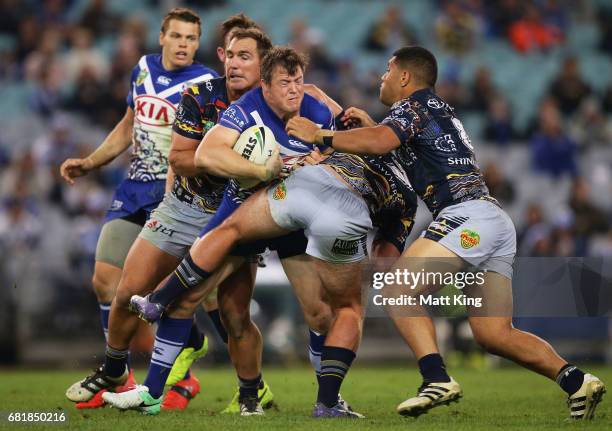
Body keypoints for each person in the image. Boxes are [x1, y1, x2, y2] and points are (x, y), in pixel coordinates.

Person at [286, 45, 606, 420]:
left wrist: (320, 134)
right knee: (494, 334)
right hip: (492, 220)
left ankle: (435, 377)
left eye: (388, 71)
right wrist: (373, 125)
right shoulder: (436, 110)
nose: (382, 77)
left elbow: (380, 142)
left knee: (397, 287)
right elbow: (396, 145)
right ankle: (576, 380)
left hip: (466, 216)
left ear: (405, 77)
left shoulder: (411, 107)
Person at [102, 47, 350, 416]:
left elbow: (348, 140)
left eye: (298, 81)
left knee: (318, 313)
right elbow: (204, 154)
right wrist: (260, 170)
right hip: (244, 216)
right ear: (265, 85)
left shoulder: (315, 104)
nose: (294, 89)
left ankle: (328, 401)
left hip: (290, 216)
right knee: (190, 301)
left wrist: (326, 152)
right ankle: (152, 392)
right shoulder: (244, 110)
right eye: (285, 82)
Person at [61, 7, 218, 409]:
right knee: (104, 282)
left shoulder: (206, 84)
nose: (184, 44)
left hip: (174, 196)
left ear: (197, 44)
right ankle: (121, 376)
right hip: (133, 190)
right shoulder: (142, 69)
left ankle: (188, 367)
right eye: (177, 36)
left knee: (150, 294)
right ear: (161, 37)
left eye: (191, 38)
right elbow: (129, 124)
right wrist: (92, 161)